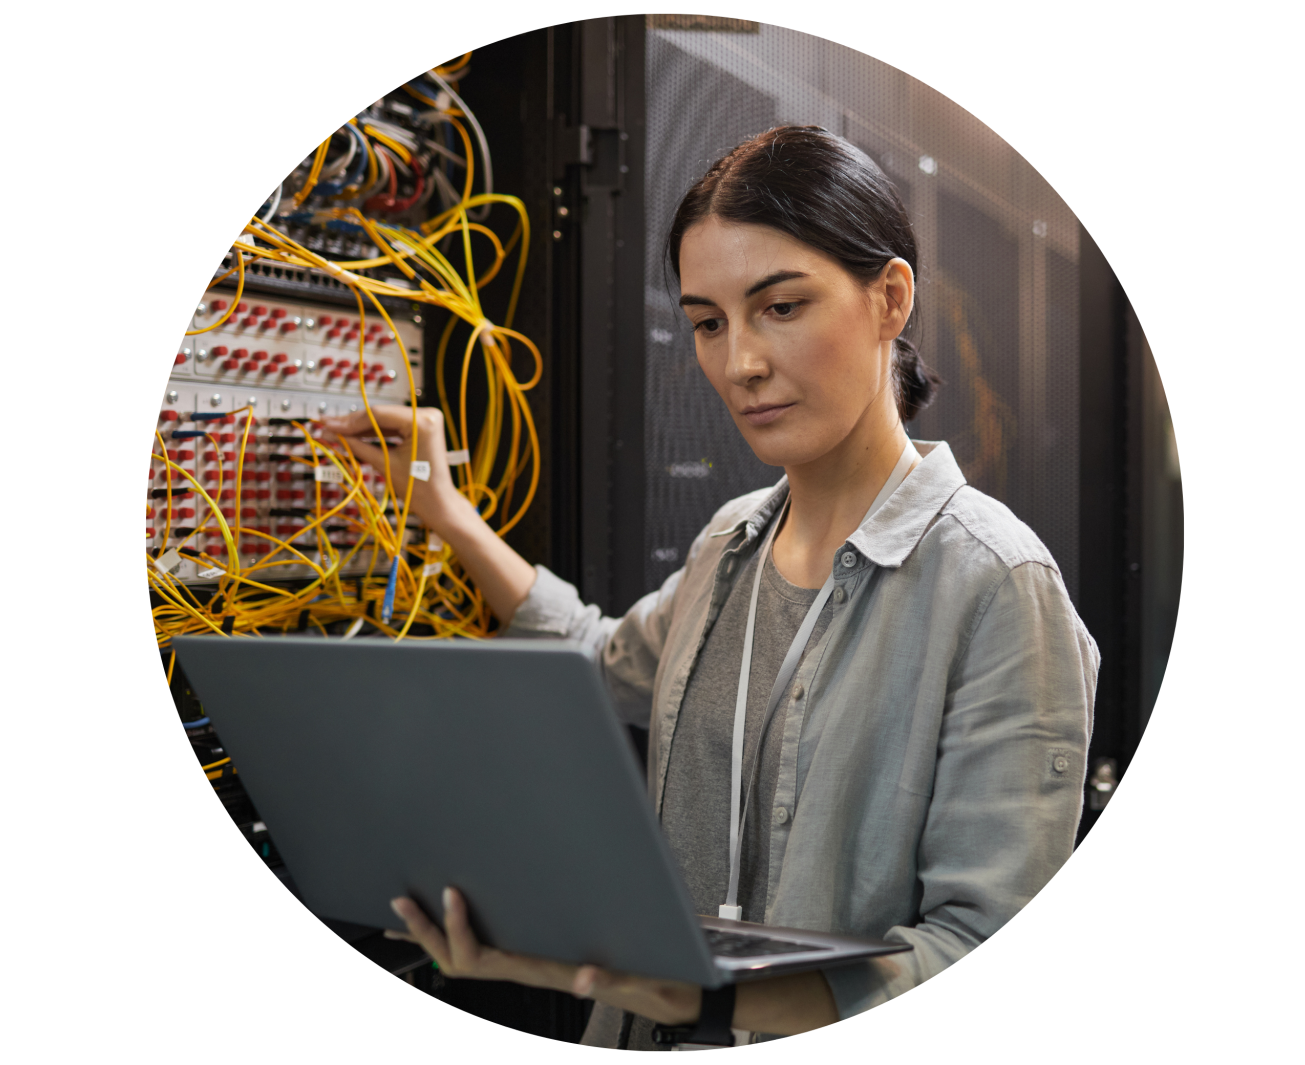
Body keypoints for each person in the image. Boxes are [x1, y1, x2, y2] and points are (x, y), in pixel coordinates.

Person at [315, 125, 1099, 1048]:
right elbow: (599, 660)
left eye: (780, 307)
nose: (740, 364)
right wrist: (449, 517)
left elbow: (973, 939)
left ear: (890, 298)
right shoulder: (732, 541)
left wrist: (705, 999)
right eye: (708, 322)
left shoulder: (997, 584)